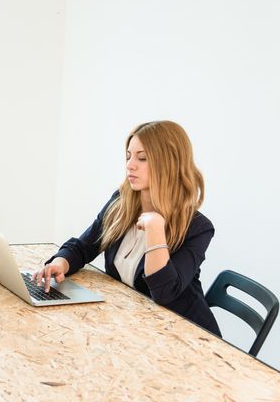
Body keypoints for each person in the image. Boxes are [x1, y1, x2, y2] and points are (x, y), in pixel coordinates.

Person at [34, 120, 221, 336]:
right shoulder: (121, 202)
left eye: (142, 158)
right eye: (128, 156)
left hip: (187, 335)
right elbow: (84, 246)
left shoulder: (198, 227)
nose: (130, 165)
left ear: (169, 163)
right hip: (136, 326)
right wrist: (60, 263)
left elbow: (164, 293)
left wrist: (155, 231)